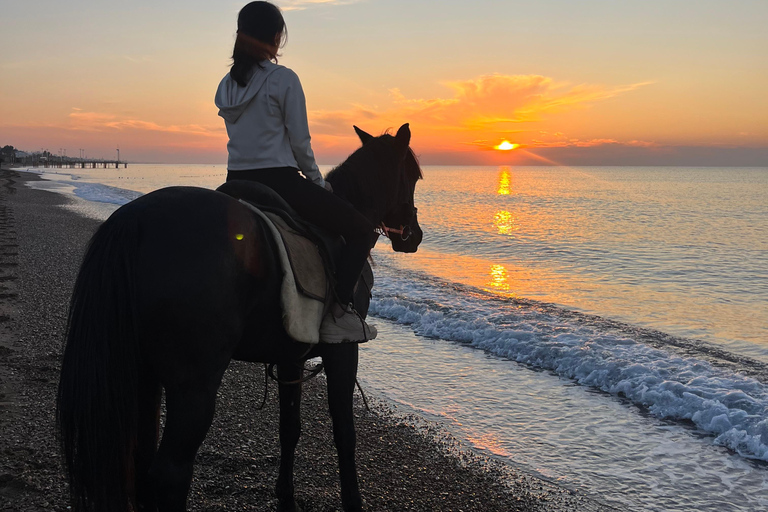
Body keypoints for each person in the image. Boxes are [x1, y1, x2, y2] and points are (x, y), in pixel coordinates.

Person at [215, 1, 377, 343]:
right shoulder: (283, 79)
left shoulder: (226, 86)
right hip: (280, 182)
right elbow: (300, 143)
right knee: (362, 231)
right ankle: (339, 314)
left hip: (235, 182)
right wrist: (319, 185)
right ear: (275, 38)